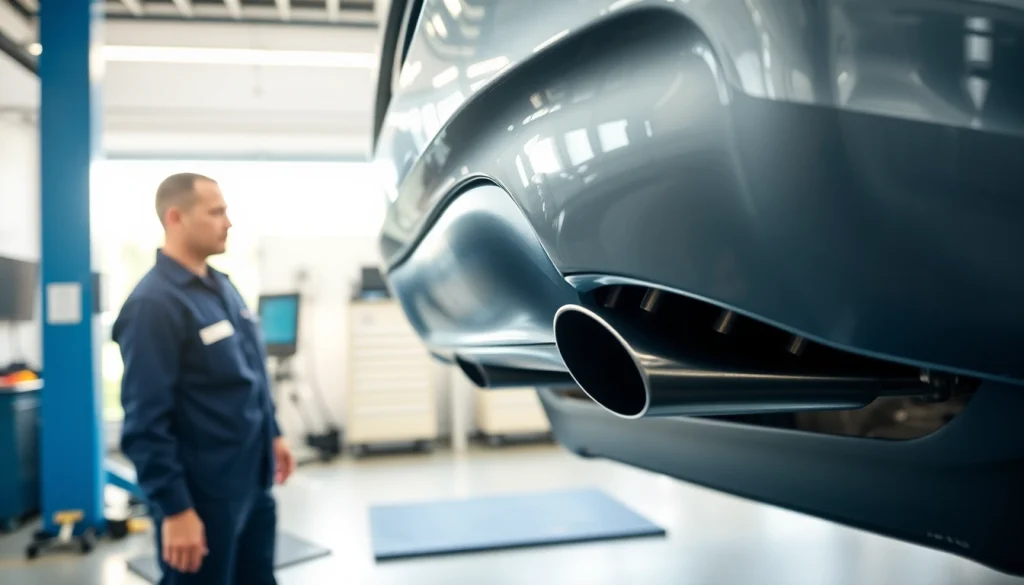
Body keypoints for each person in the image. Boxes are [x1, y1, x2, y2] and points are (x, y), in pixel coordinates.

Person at [113, 173, 295, 585]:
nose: (228, 222)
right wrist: (175, 509)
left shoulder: (221, 287)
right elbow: (144, 423)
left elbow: (250, 374)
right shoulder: (152, 305)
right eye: (216, 212)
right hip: (202, 497)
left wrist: (275, 433)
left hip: (252, 480)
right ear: (175, 217)